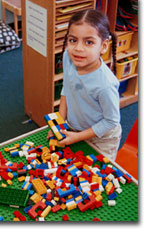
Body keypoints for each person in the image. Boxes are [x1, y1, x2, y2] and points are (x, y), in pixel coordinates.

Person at [47, 9, 122, 161]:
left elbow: (111, 121)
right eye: (73, 40)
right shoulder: (69, 57)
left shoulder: (105, 85)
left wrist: (78, 137)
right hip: (75, 128)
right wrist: (59, 123)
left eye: (89, 42)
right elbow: (67, 87)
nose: (78, 48)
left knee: (98, 175)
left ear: (103, 46)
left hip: (103, 140)